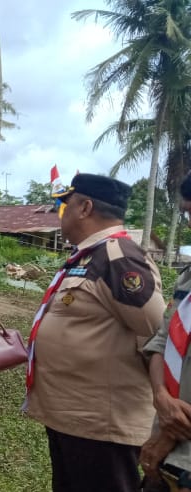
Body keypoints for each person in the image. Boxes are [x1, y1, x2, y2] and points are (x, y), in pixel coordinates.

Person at [24, 173, 165, 492]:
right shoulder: (89, 256)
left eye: (66, 205)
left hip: (102, 426)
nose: (62, 213)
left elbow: (159, 334)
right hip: (74, 419)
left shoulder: (118, 258)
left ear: (85, 207)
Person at [142, 174, 191, 492]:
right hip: (170, 453)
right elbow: (162, 340)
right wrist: (161, 398)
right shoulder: (188, 278)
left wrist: (169, 434)